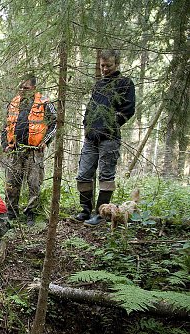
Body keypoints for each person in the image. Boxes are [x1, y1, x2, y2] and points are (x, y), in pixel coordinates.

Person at [73, 49, 135, 226]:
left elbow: (129, 109)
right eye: (102, 66)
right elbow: (90, 109)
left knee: (106, 176)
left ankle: (101, 214)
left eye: (109, 65)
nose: (105, 69)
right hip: (91, 138)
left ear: (117, 64)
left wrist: (111, 124)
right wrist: (87, 125)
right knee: (83, 175)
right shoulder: (98, 85)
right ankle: (85, 210)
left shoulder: (125, 83)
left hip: (109, 138)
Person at [0, 74, 57, 225]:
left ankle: (31, 214)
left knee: (34, 183)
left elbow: (55, 123)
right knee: (11, 183)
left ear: (34, 88)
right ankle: (11, 213)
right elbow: (5, 126)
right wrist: (5, 144)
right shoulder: (13, 103)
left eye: (26, 88)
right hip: (15, 150)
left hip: (34, 151)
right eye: (20, 87)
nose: (22, 90)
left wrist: (45, 141)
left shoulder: (44, 103)